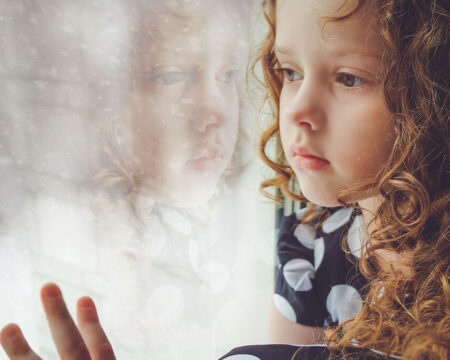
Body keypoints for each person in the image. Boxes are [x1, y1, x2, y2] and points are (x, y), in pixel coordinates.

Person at [1, 0, 449, 359]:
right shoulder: (308, 247)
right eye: (290, 72)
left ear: (433, 91)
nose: (296, 111)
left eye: (349, 78)